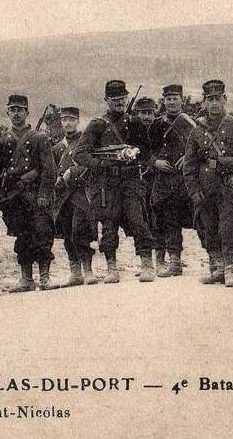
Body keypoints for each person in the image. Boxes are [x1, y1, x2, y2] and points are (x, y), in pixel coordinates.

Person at [68, 80, 156, 283]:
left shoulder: (134, 123)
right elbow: (80, 154)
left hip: (132, 181)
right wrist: (101, 165)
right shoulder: (97, 125)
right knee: (109, 225)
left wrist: (135, 154)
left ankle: (147, 265)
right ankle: (112, 269)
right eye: (115, 99)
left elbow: (147, 150)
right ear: (106, 100)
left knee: (138, 221)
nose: (120, 103)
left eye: (122, 98)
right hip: (107, 184)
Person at [182, 80, 233, 288]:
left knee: (229, 229)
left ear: (225, 100)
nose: (214, 104)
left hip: (229, 188)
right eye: (210, 100)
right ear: (204, 102)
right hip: (205, 189)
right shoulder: (197, 130)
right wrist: (194, 190)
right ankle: (215, 268)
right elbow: (189, 164)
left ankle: (230, 270)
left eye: (218, 99)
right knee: (208, 228)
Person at [0, 94, 57, 291]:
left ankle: (45, 277)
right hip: (15, 198)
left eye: (20, 109)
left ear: (27, 112)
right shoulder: (3, 141)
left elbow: (49, 170)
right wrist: (1, 198)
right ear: (8, 112)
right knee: (23, 237)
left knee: (43, 235)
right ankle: (26, 279)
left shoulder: (40, 139)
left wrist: (45, 194)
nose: (16, 113)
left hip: (37, 197)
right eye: (13, 110)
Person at [147, 84, 195, 277]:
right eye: (168, 99)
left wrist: (189, 157)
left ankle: (216, 261)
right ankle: (174, 262)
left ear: (181, 100)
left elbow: (203, 146)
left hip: (187, 180)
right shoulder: (156, 125)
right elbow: (144, 150)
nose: (172, 102)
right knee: (169, 221)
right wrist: (155, 162)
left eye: (175, 98)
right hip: (165, 181)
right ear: (163, 101)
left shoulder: (192, 124)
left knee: (201, 220)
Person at [50, 106, 101, 286]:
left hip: (81, 193)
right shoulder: (57, 147)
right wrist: (57, 177)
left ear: (78, 121)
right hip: (63, 196)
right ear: (61, 122)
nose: (68, 123)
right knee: (66, 232)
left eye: (71, 119)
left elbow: (91, 164)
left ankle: (87, 270)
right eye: (64, 120)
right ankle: (75, 272)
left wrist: (73, 171)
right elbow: (53, 169)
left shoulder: (84, 142)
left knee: (80, 229)